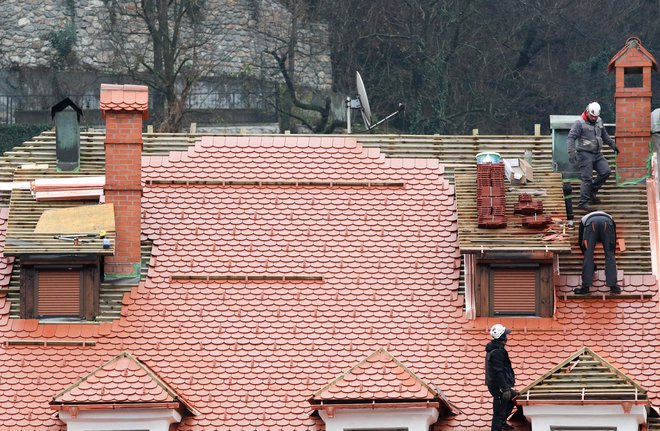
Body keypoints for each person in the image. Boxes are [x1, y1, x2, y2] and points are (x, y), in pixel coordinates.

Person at [567, 101, 619, 211]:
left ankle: (591, 192)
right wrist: (571, 152)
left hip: (597, 153)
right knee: (587, 178)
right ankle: (583, 203)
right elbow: (571, 137)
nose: (594, 118)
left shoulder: (599, 121)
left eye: (596, 116)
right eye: (592, 116)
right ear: (587, 112)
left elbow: (604, 135)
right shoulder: (579, 123)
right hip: (584, 153)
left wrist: (612, 144)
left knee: (606, 171)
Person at [574, 211, 621, 295]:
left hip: (591, 223)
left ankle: (585, 287)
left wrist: (585, 253)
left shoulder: (583, 219)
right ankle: (613, 286)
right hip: (607, 223)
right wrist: (612, 252)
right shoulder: (609, 217)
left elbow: (580, 240)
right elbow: (614, 239)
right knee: (609, 254)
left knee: (588, 254)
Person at [485, 324, 517, 431]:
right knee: (498, 413)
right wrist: (505, 389)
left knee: (514, 397)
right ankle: (499, 425)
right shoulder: (497, 352)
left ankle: (502, 422)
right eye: (505, 335)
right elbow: (498, 372)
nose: (507, 337)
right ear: (502, 337)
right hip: (498, 387)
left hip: (498, 386)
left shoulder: (495, 349)